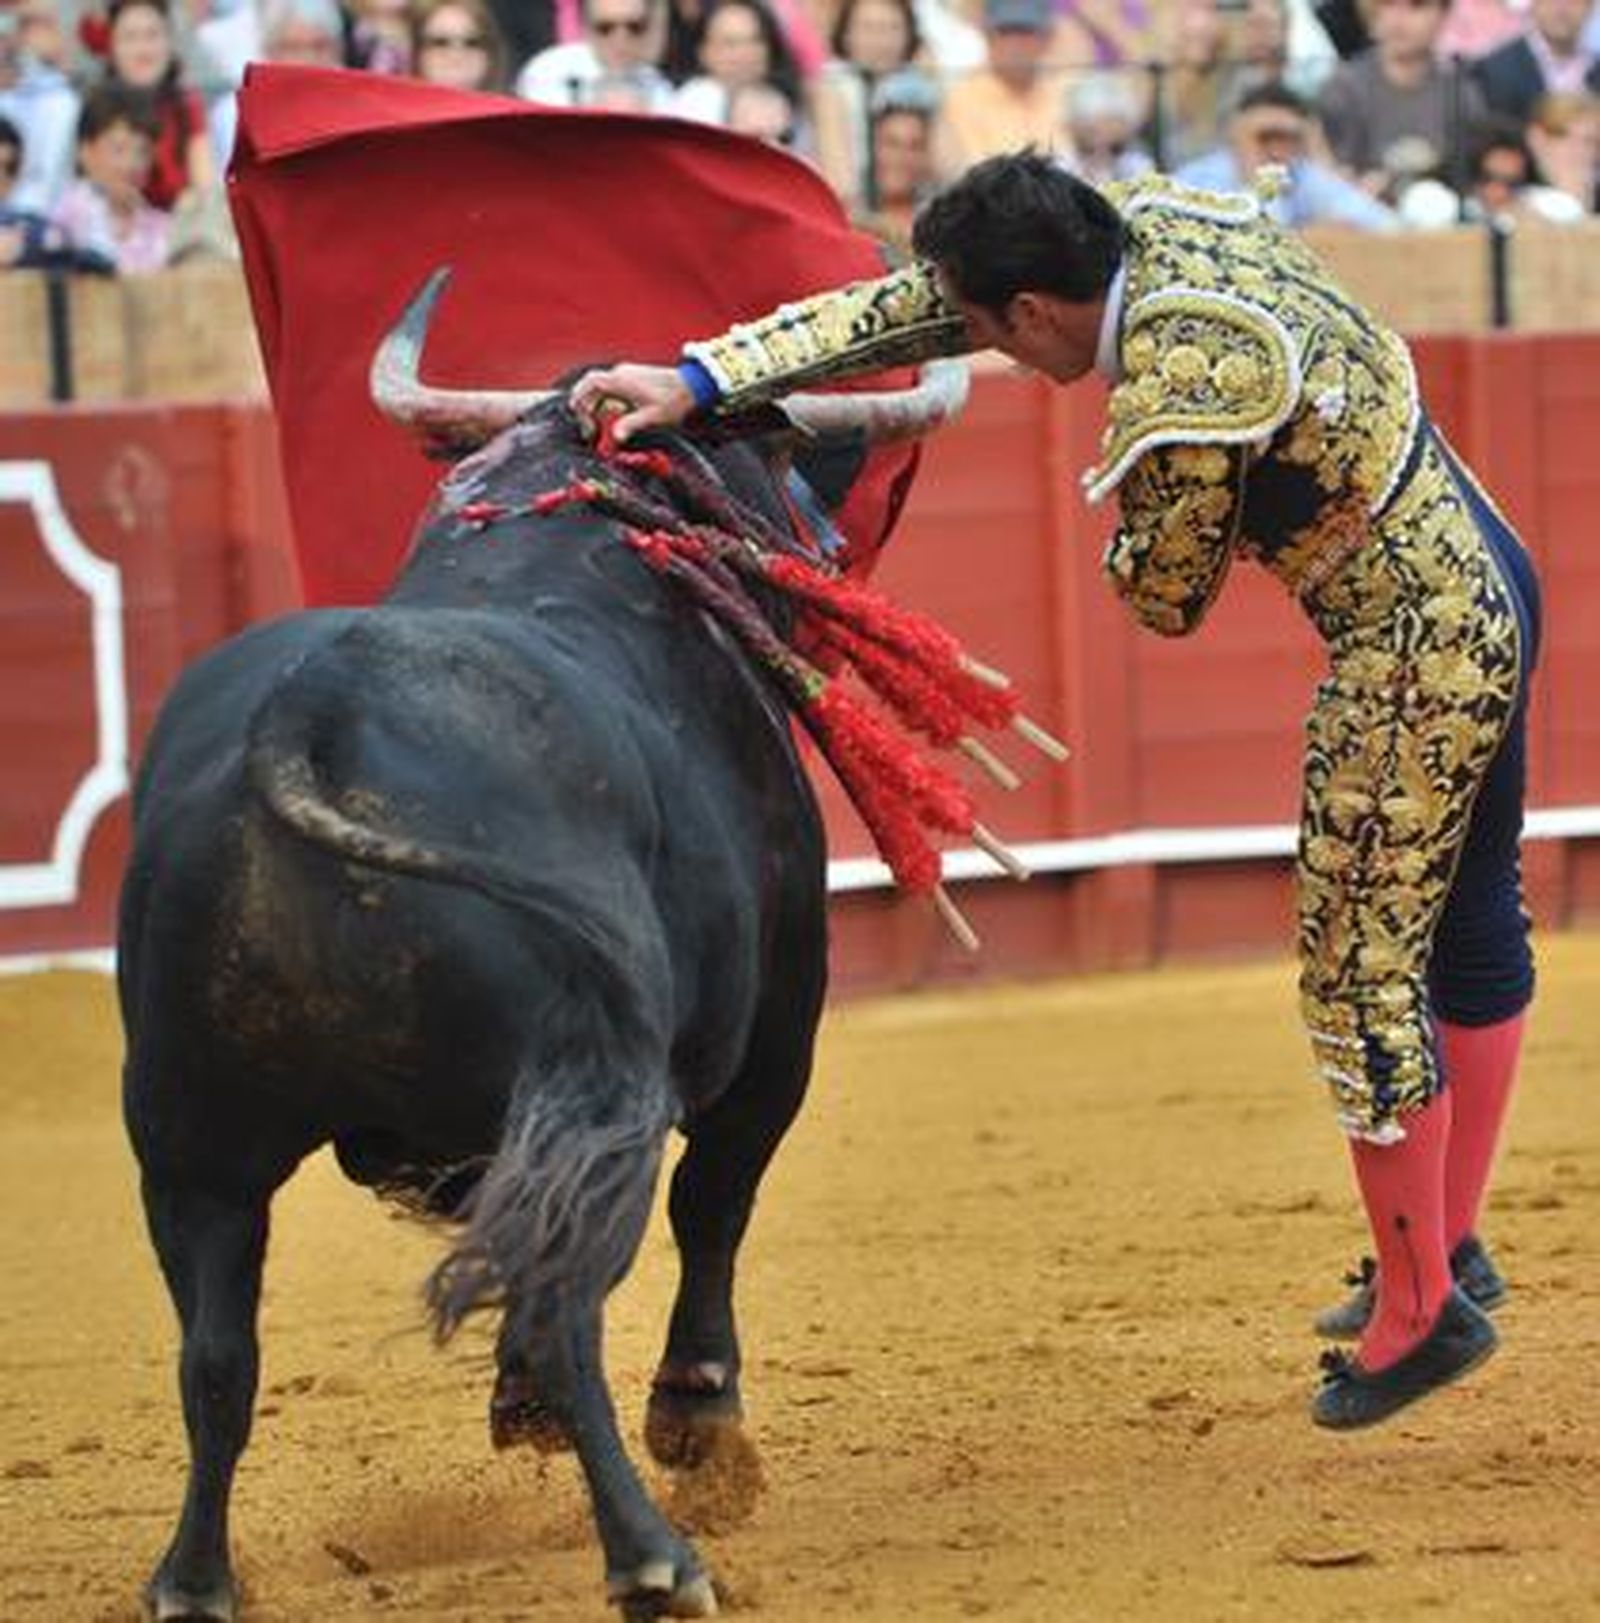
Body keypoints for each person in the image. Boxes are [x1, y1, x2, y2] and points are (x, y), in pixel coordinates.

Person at [570, 151, 1541, 1432]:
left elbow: (1166, 598)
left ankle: (1421, 1313)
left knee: (1359, 972)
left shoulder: (1192, 380)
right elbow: (909, 312)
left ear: (1035, 311)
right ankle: (1447, 1246)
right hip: (1485, 566)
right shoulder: (1155, 217)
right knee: (1469, 920)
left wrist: (1139, 481)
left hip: (1413, 641)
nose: (993, 353)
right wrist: (697, 379)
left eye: (990, 334)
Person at [1316, 0, 1489, 203]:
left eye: (1416, 5)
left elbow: (1475, 174)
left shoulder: (1461, 90)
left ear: (1443, 15)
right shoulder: (1343, 87)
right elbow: (1331, 175)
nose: (1399, 19)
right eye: (1388, 4)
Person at [1175, 81, 1401, 228]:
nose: (1276, 149)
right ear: (1236, 135)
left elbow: (1386, 225)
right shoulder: (1198, 178)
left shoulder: (1302, 175)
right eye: (1264, 136)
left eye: (1286, 137)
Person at [100, 0, 216, 209]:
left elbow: (205, 191)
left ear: (169, 43)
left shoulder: (187, 105)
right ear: (112, 47)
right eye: (130, 37)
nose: (143, 49)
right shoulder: (97, 108)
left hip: (177, 232)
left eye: (152, 35)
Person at [50, 80, 170, 269]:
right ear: (86, 152)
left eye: (143, 151)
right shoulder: (65, 222)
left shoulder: (162, 228)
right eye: (119, 149)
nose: (132, 164)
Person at [516, 0, 676, 109]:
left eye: (635, 27)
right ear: (585, 28)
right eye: (605, 28)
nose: (620, 38)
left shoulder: (657, 84)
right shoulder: (547, 70)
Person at [1471, 0, 1600, 128]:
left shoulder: (1594, 67)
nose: (1562, 10)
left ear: (1591, 7)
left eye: (1573, 1)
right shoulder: (1494, 70)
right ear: (1532, 4)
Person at [410, 0, 510, 92]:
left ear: (490, 55)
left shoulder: (517, 110)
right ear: (417, 53)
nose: (456, 55)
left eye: (472, 43)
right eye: (440, 43)